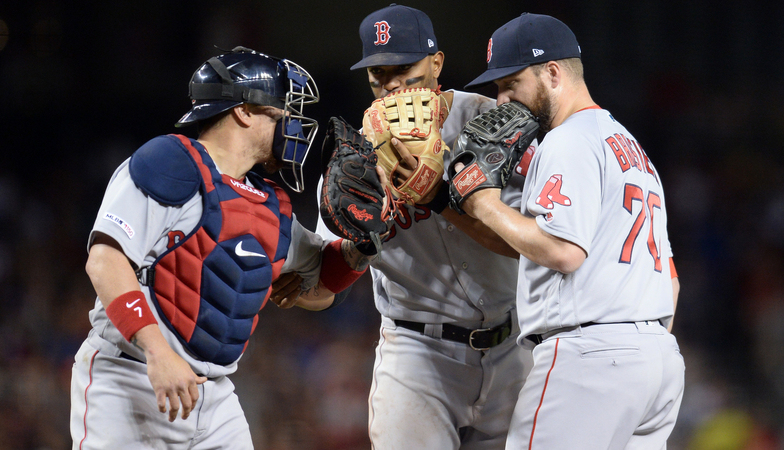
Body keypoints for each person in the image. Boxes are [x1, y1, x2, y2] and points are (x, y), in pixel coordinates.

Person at [69, 47, 375, 449]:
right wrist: (158, 353)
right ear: (244, 111)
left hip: (214, 398)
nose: (292, 123)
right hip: (132, 375)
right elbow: (105, 261)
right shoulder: (171, 162)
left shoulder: (272, 206)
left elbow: (318, 288)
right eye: (281, 111)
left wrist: (364, 244)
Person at [272, 5, 532, 449]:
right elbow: (321, 292)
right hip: (418, 355)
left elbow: (536, 244)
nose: (391, 84)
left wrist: (440, 199)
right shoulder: (353, 164)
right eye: (378, 73)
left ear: (437, 64)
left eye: (403, 68)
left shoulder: (496, 124)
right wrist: (359, 246)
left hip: (515, 348)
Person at [457, 13, 685, 449]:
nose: (501, 100)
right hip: (657, 362)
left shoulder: (567, 139)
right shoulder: (629, 146)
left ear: (553, 73)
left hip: (590, 360)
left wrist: (481, 203)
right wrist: (635, 347)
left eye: (511, 84)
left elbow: (564, 251)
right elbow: (670, 281)